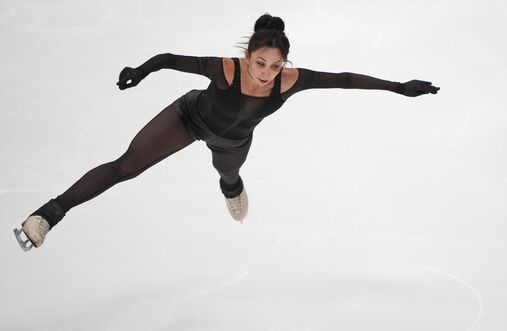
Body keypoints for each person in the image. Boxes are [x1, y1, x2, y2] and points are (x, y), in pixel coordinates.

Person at [13, 13, 440, 252]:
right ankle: (47, 215)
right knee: (128, 165)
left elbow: (345, 78)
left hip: (233, 140)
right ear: (247, 55)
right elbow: (168, 57)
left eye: (275, 66)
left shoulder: (292, 80)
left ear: (284, 63)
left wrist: (399, 87)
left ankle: (232, 189)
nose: (266, 73)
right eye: (260, 64)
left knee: (229, 176)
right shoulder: (226, 68)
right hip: (187, 119)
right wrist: (140, 71)